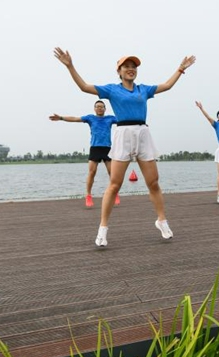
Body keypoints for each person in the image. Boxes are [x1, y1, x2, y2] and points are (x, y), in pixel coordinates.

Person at [53, 47, 195, 247]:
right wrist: (70, 66)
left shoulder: (143, 89)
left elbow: (167, 85)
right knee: (115, 184)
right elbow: (84, 87)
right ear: (119, 71)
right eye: (126, 66)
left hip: (143, 133)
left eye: (133, 67)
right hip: (123, 134)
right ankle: (103, 229)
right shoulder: (112, 89)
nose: (130, 69)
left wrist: (180, 69)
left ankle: (161, 221)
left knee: (153, 182)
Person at [48, 101, 120, 208]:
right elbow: (75, 119)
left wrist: (140, 124)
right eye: (97, 107)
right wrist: (61, 118)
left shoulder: (110, 118)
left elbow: (125, 121)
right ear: (94, 109)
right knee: (92, 172)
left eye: (102, 107)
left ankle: (114, 193)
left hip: (107, 148)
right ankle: (88, 196)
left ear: (105, 109)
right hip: (95, 148)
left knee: (112, 173)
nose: (100, 108)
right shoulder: (90, 118)